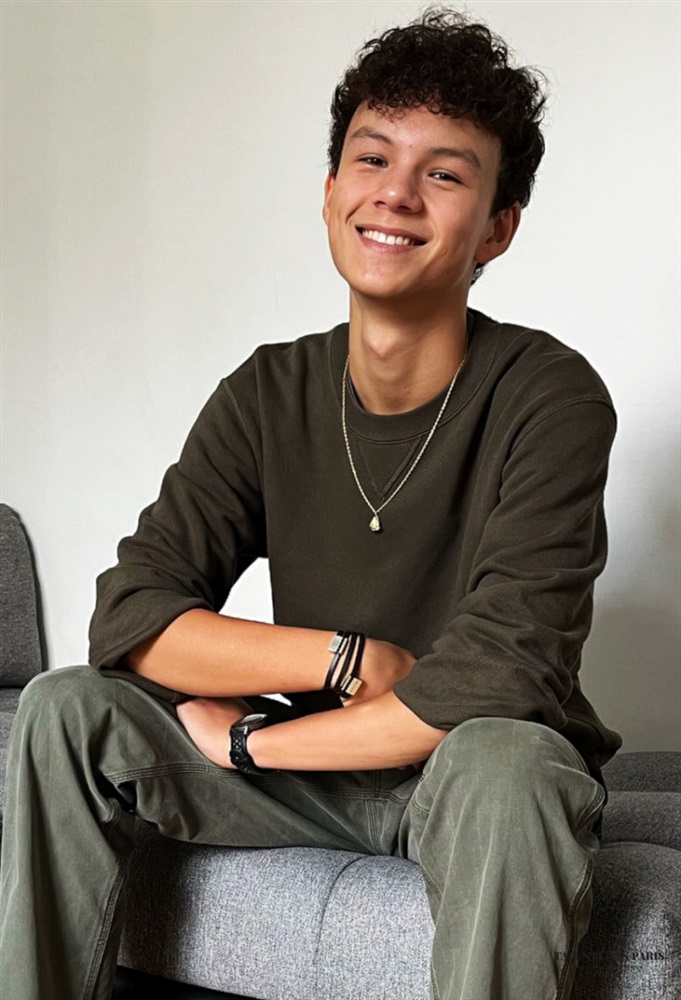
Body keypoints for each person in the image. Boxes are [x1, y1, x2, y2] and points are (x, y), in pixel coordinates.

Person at [0, 7, 623, 999]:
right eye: (372, 159)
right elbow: (131, 616)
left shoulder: (550, 395)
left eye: (444, 174)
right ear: (331, 191)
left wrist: (256, 739)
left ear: (498, 227)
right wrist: (348, 659)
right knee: (66, 706)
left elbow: (494, 677)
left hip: (459, 779)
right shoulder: (268, 391)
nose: (396, 194)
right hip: (314, 778)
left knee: (508, 760)